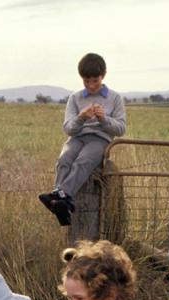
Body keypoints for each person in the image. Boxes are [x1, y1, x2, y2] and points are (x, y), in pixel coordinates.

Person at [39, 53, 127, 227]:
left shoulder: (115, 98)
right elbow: (68, 128)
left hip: (100, 139)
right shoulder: (75, 98)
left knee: (83, 160)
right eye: (86, 81)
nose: (91, 85)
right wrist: (81, 117)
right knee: (64, 159)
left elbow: (121, 129)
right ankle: (64, 202)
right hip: (77, 137)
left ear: (104, 75)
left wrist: (104, 119)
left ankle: (60, 199)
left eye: (95, 80)